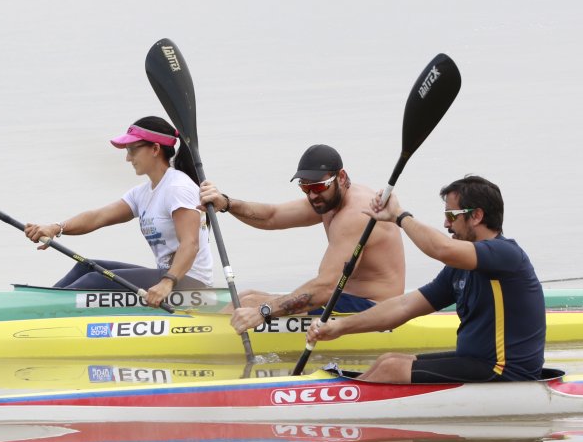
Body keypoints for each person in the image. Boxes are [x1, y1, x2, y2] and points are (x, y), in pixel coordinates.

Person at [306, 175, 546, 383]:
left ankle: (341, 417)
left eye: (452, 216)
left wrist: (399, 216)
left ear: (476, 216)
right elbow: (404, 306)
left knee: (392, 370)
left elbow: (441, 249)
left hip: (507, 373)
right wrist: (339, 327)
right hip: (477, 363)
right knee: (387, 360)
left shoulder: (505, 255)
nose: (446, 224)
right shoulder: (459, 269)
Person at [198, 144, 404, 332]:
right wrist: (226, 203)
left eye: (317, 187)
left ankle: (203, 338)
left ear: (341, 177)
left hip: (376, 310)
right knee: (246, 296)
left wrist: (263, 311)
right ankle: (205, 331)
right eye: (305, 187)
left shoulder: (355, 215)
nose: (312, 195)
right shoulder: (330, 198)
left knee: (250, 304)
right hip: (343, 299)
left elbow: (325, 288)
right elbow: (272, 216)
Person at [24, 116, 213, 308]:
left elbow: (190, 243)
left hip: (189, 282)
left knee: (93, 281)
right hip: (169, 277)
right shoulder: (142, 193)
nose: (128, 158)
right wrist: (56, 228)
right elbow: (98, 217)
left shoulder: (177, 188)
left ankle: (44, 313)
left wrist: (167, 283)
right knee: (84, 266)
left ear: (155, 149)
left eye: (132, 150)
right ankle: (40, 306)